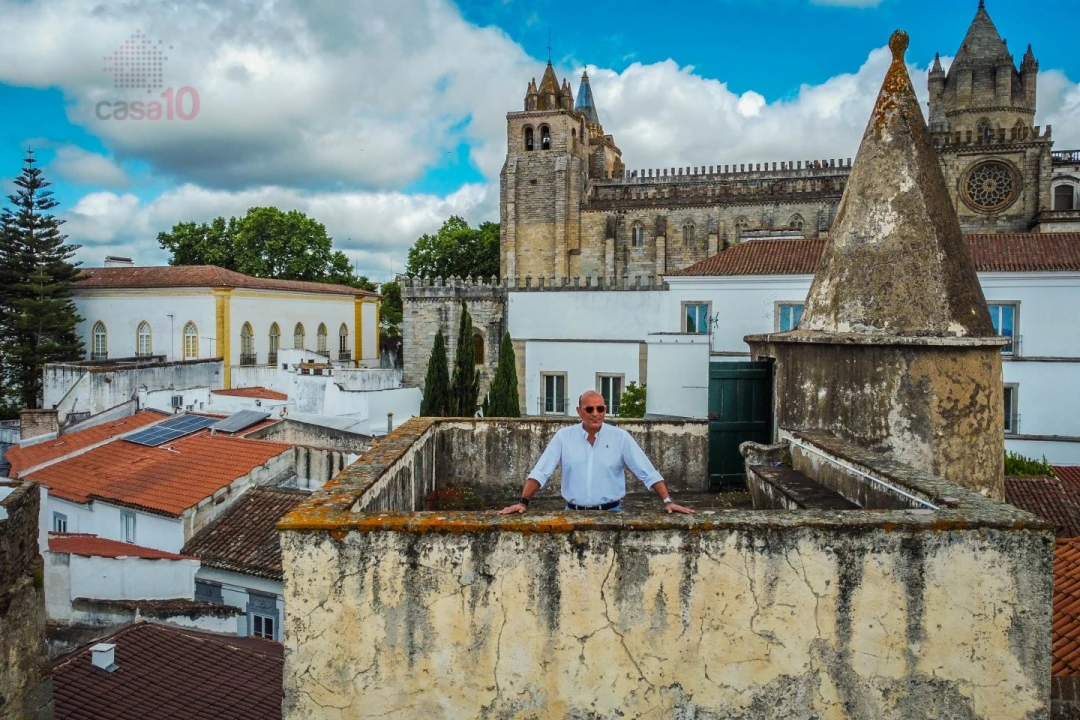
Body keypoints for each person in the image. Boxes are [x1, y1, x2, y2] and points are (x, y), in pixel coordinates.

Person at [499, 390, 695, 515]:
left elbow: (646, 471)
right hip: (573, 514)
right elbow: (541, 472)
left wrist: (668, 501)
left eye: (600, 408)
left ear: (605, 410)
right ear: (579, 411)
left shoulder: (620, 437)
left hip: (612, 514)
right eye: (589, 408)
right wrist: (523, 502)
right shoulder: (563, 437)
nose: (595, 413)